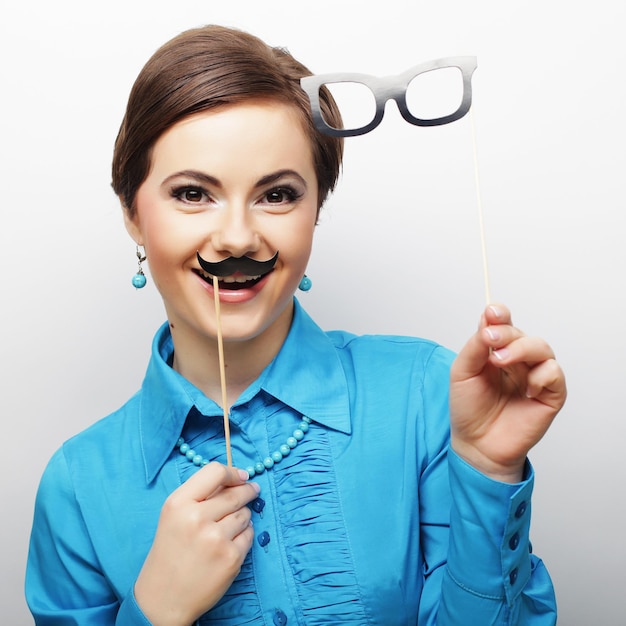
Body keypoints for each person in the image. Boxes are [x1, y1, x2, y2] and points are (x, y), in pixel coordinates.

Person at [25, 24, 566, 626]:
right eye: (192, 194)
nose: (236, 237)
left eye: (277, 195)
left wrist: (489, 474)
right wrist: (155, 609)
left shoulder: (430, 396)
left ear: (315, 211)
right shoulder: (76, 487)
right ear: (132, 212)